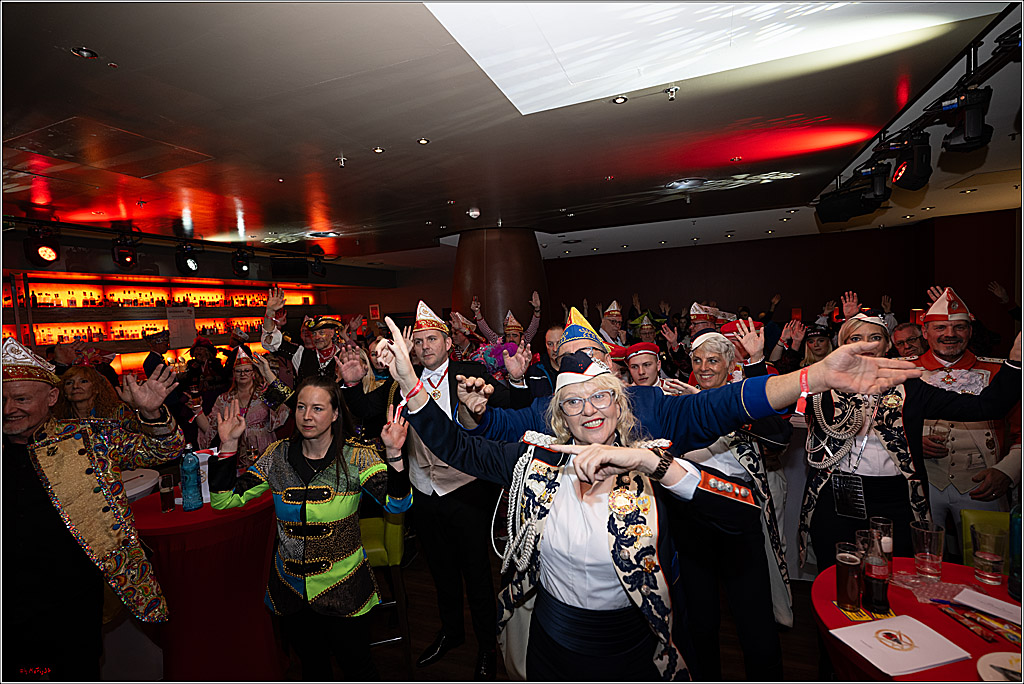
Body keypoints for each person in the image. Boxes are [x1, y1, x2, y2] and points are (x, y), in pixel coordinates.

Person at [376, 318, 711, 680]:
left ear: (620, 402)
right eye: (573, 400)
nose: (589, 409)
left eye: (599, 395)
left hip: (632, 645)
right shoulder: (535, 464)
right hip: (552, 642)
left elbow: (735, 512)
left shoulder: (650, 465)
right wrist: (410, 383)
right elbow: (459, 447)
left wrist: (653, 464)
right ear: (560, 414)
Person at [336, 301, 520, 679]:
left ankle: (487, 646)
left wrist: (517, 379)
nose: (424, 347)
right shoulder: (402, 379)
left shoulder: (470, 373)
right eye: (418, 341)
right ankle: (451, 633)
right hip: (423, 490)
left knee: (477, 574)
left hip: (466, 490)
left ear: (448, 342)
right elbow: (367, 408)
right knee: (441, 572)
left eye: (431, 339)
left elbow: (515, 405)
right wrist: (351, 382)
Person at [208, 375, 412, 681]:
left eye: (317, 408)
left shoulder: (356, 456)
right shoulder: (277, 455)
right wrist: (227, 445)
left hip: (344, 589)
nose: (306, 416)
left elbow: (397, 504)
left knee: (358, 668)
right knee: (313, 669)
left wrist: (394, 455)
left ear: (334, 413)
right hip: (290, 591)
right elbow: (225, 500)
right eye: (301, 407)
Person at [2, 338, 183, 681]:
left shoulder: (88, 437)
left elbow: (164, 449)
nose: (9, 407)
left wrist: (151, 412)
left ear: (51, 398)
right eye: (3, 398)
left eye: (22, 399)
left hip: (69, 603)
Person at [798, 312, 1022, 577]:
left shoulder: (910, 387)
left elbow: (986, 407)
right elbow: (773, 405)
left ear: (887, 344)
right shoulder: (821, 385)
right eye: (856, 338)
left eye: (875, 338)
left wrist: (1016, 362)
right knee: (838, 574)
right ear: (843, 346)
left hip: (896, 497)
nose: (867, 345)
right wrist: (756, 361)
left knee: (896, 576)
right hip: (836, 494)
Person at [679, 322, 794, 679]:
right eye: (697, 361)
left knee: (753, 610)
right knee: (699, 615)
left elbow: (779, 437)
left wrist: (725, 413)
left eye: (713, 360)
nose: (704, 368)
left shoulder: (741, 397)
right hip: (692, 513)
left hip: (737, 509)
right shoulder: (680, 401)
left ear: (730, 364)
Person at [911, 287, 1021, 550]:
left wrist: (1007, 471)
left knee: (990, 564)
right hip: (921, 484)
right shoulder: (903, 370)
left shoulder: (1000, 372)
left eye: (959, 327)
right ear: (925, 333)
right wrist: (912, 441)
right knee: (920, 560)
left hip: (983, 484)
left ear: (970, 331)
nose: (950, 334)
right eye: (940, 328)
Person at [194, 349, 291, 467]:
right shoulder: (224, 399)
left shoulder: (263, 394)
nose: (243, 374)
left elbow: (285, 410)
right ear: (234, 374)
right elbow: (210, 428)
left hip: (263, 448)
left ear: (253, 373)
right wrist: (197, 410)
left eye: (247, 370)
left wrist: (271, 388)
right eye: (239, 371)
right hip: (233, 449)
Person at [261, 286, 344, 384]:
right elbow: (272, 341)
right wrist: (269, 313)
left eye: (321, 333)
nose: (316, 337)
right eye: (313, 333)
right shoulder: (301, 354)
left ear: (332, 333)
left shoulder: (344, 356)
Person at [53, 364, 135, 424]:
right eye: (69, 383)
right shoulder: (57, 418)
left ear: (96, 388)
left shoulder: (116, 412)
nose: (75, 386)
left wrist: (136, 406)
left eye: (83, 381)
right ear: (64, 391)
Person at [472, 291, 542, 348]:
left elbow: (534, 326)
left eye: (515, 335)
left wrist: (537, 309)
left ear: (522, 337)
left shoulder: (524, 341)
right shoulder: (500, 342)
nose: (511, 339)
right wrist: (477, 312)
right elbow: (486, 330)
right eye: (508, 335)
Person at [624, 342, 694, 395]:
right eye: (634, 367)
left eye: (647, 365)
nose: (641, 372)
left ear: (658, 365)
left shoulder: (675, 390)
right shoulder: (625, 395)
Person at [523, 324, 563, 398]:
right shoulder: (535, 372)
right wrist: (517, 379)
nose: (555, 349)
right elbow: (524, 405)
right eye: (550, 344)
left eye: (559, 343)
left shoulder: (577, 369)